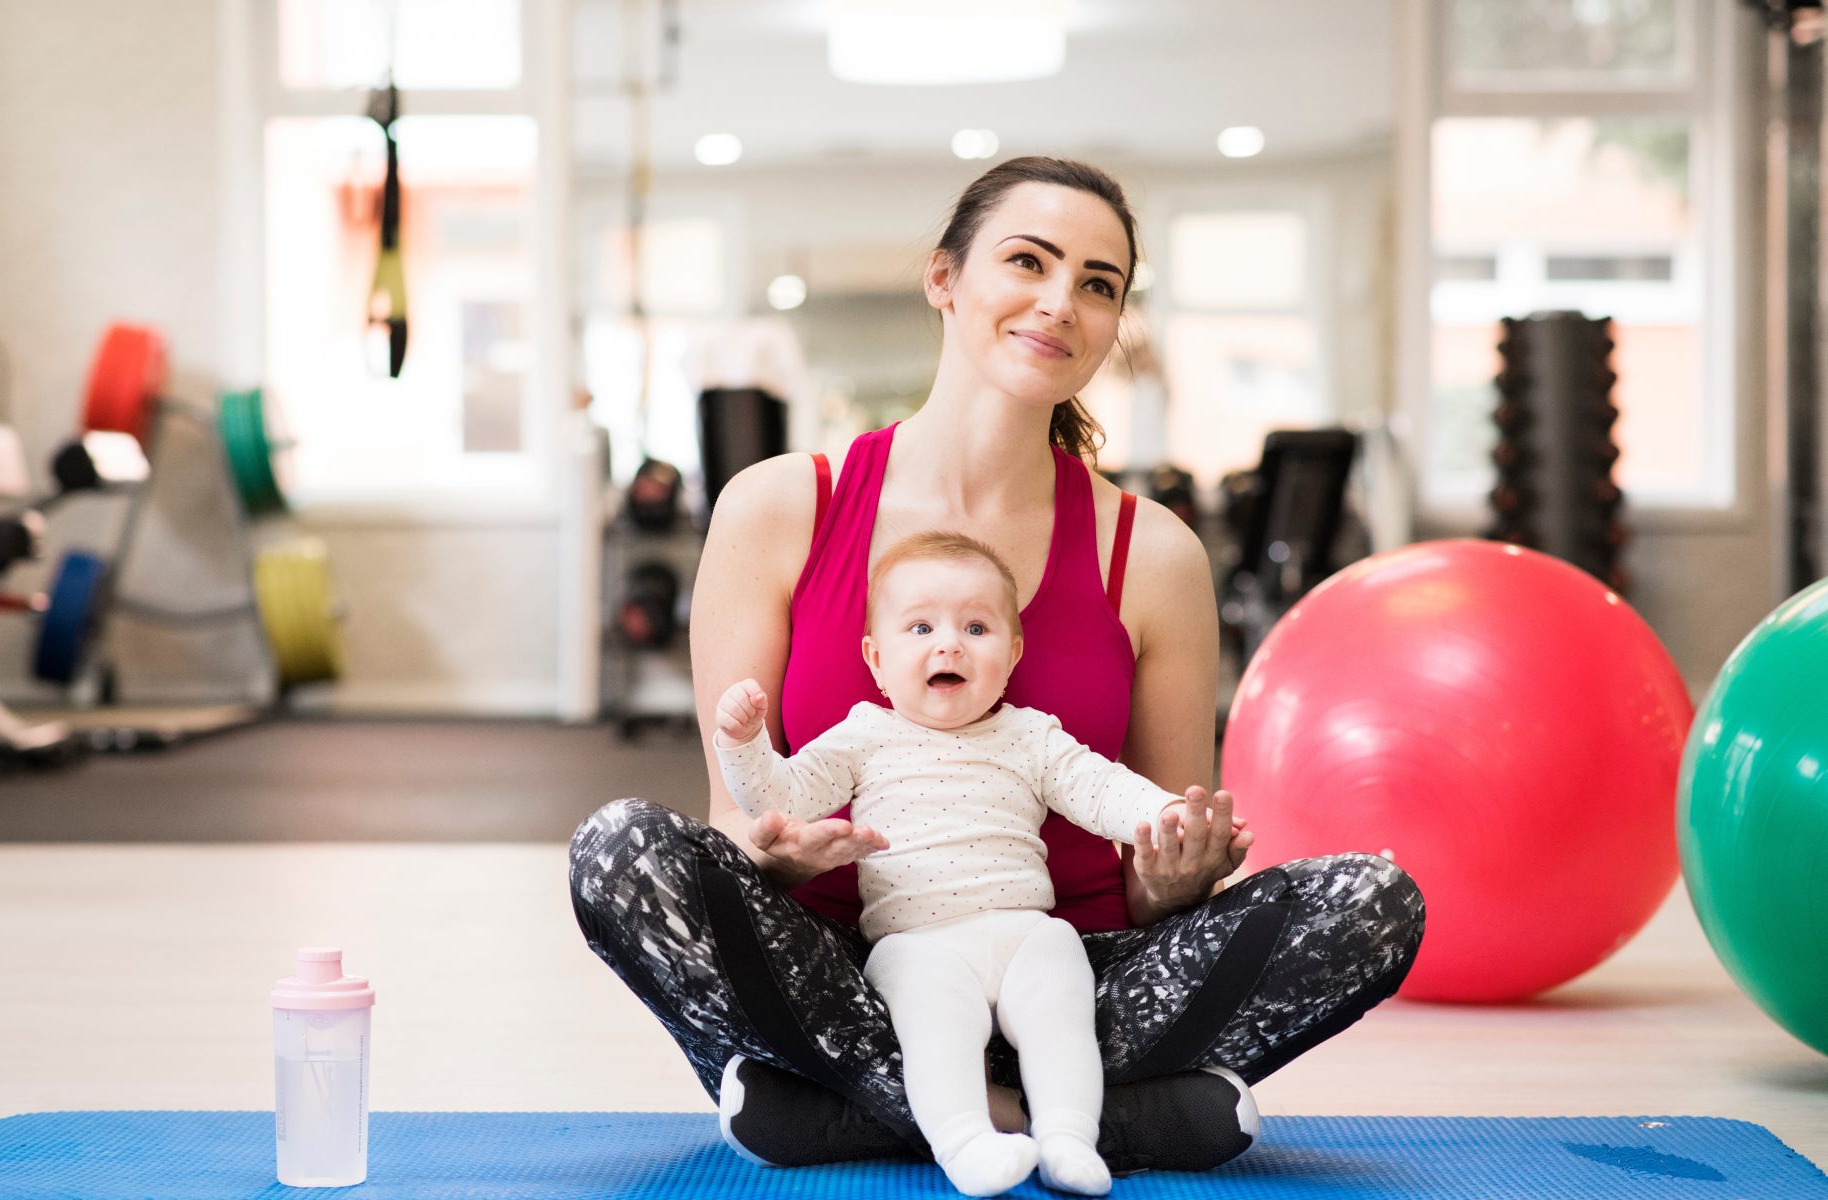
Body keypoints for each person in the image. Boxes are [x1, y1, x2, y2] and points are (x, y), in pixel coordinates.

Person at [568, 156, 1426, 1175]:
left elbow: (1152, 860)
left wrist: (1172, 878)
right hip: (845, 974)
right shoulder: (776, 507)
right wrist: (771, 850)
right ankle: (1069, 1117)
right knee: (620, 852)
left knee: (1374, 902)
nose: (1060, 302)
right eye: (1027, 261)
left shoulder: (1150, 554)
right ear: (944, 278)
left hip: (1071, 975)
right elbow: (732, 820)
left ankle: (854, 1112)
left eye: (1098, 284)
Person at [713, 529, 1254, 1196]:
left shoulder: (1030, 736)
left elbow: (1103, 788)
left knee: (1062, 1000)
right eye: (921, 628)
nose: (949, 643)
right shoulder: (864, 736)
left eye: (976, 627)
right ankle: (965, 1142)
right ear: (876, 660)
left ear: (1012, 654)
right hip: (917, 944)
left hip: (1023, 930)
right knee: (934, 1028)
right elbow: (779, 800)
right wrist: (744, 746)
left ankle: (1067, 1136)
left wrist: (1171, 814)